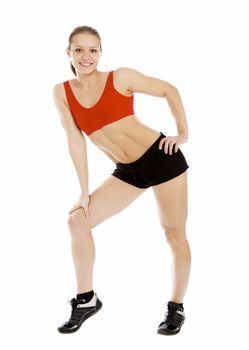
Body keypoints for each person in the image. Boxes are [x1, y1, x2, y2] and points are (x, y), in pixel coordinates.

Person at [52, 25, 191, 336]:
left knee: (173, 234)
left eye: (93, 50)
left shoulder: (120, 77)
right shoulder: (62, 92)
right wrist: (84, 193)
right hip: (127, 171)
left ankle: (176, 308)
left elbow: (169, 89)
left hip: (161, 158)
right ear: (69, 53)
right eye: (79, 50)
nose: (86, 56)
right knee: (78, 221)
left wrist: (182, 133)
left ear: (100, 53)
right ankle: (86, 301)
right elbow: (75, 140)